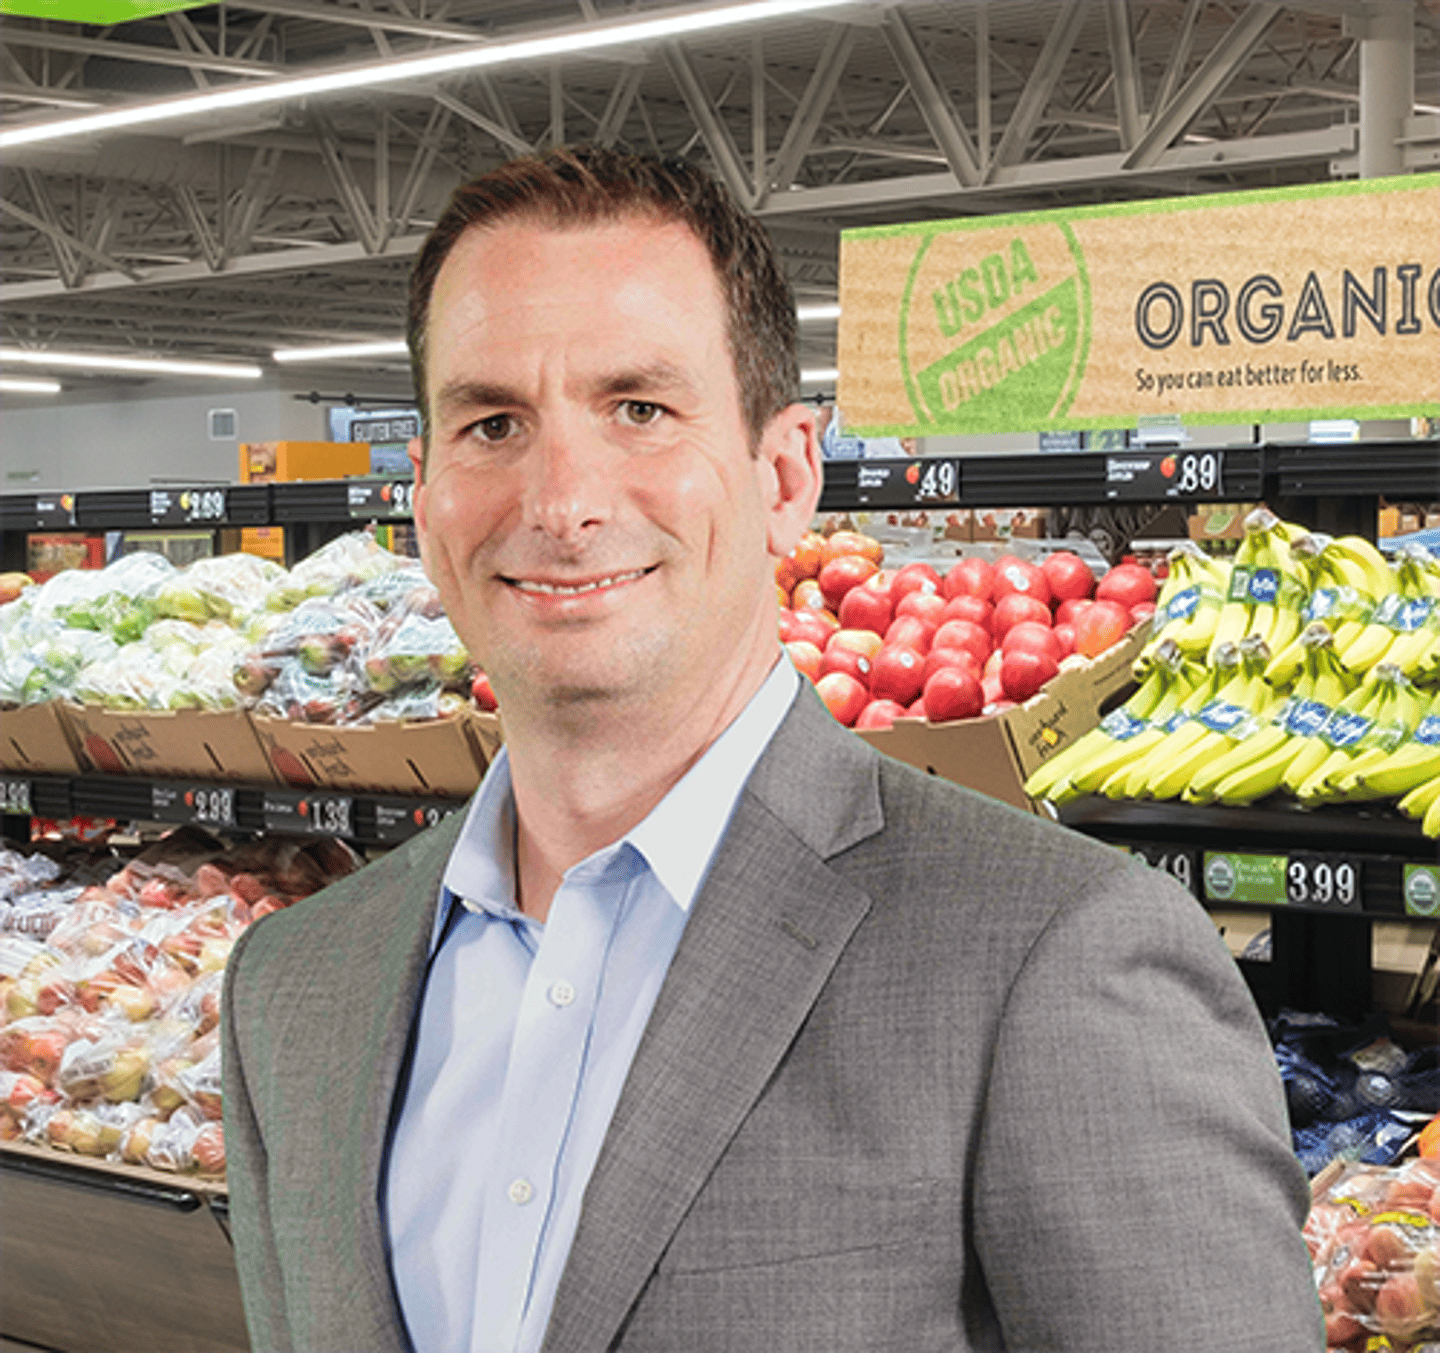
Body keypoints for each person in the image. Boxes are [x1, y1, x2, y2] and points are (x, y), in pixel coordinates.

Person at [222, 146, 1324, 1353]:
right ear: (423, 495)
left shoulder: (1053, 961)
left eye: (640, 408)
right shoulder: (297, 991)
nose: (561, 501)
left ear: (786, 474)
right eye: (493, 424)